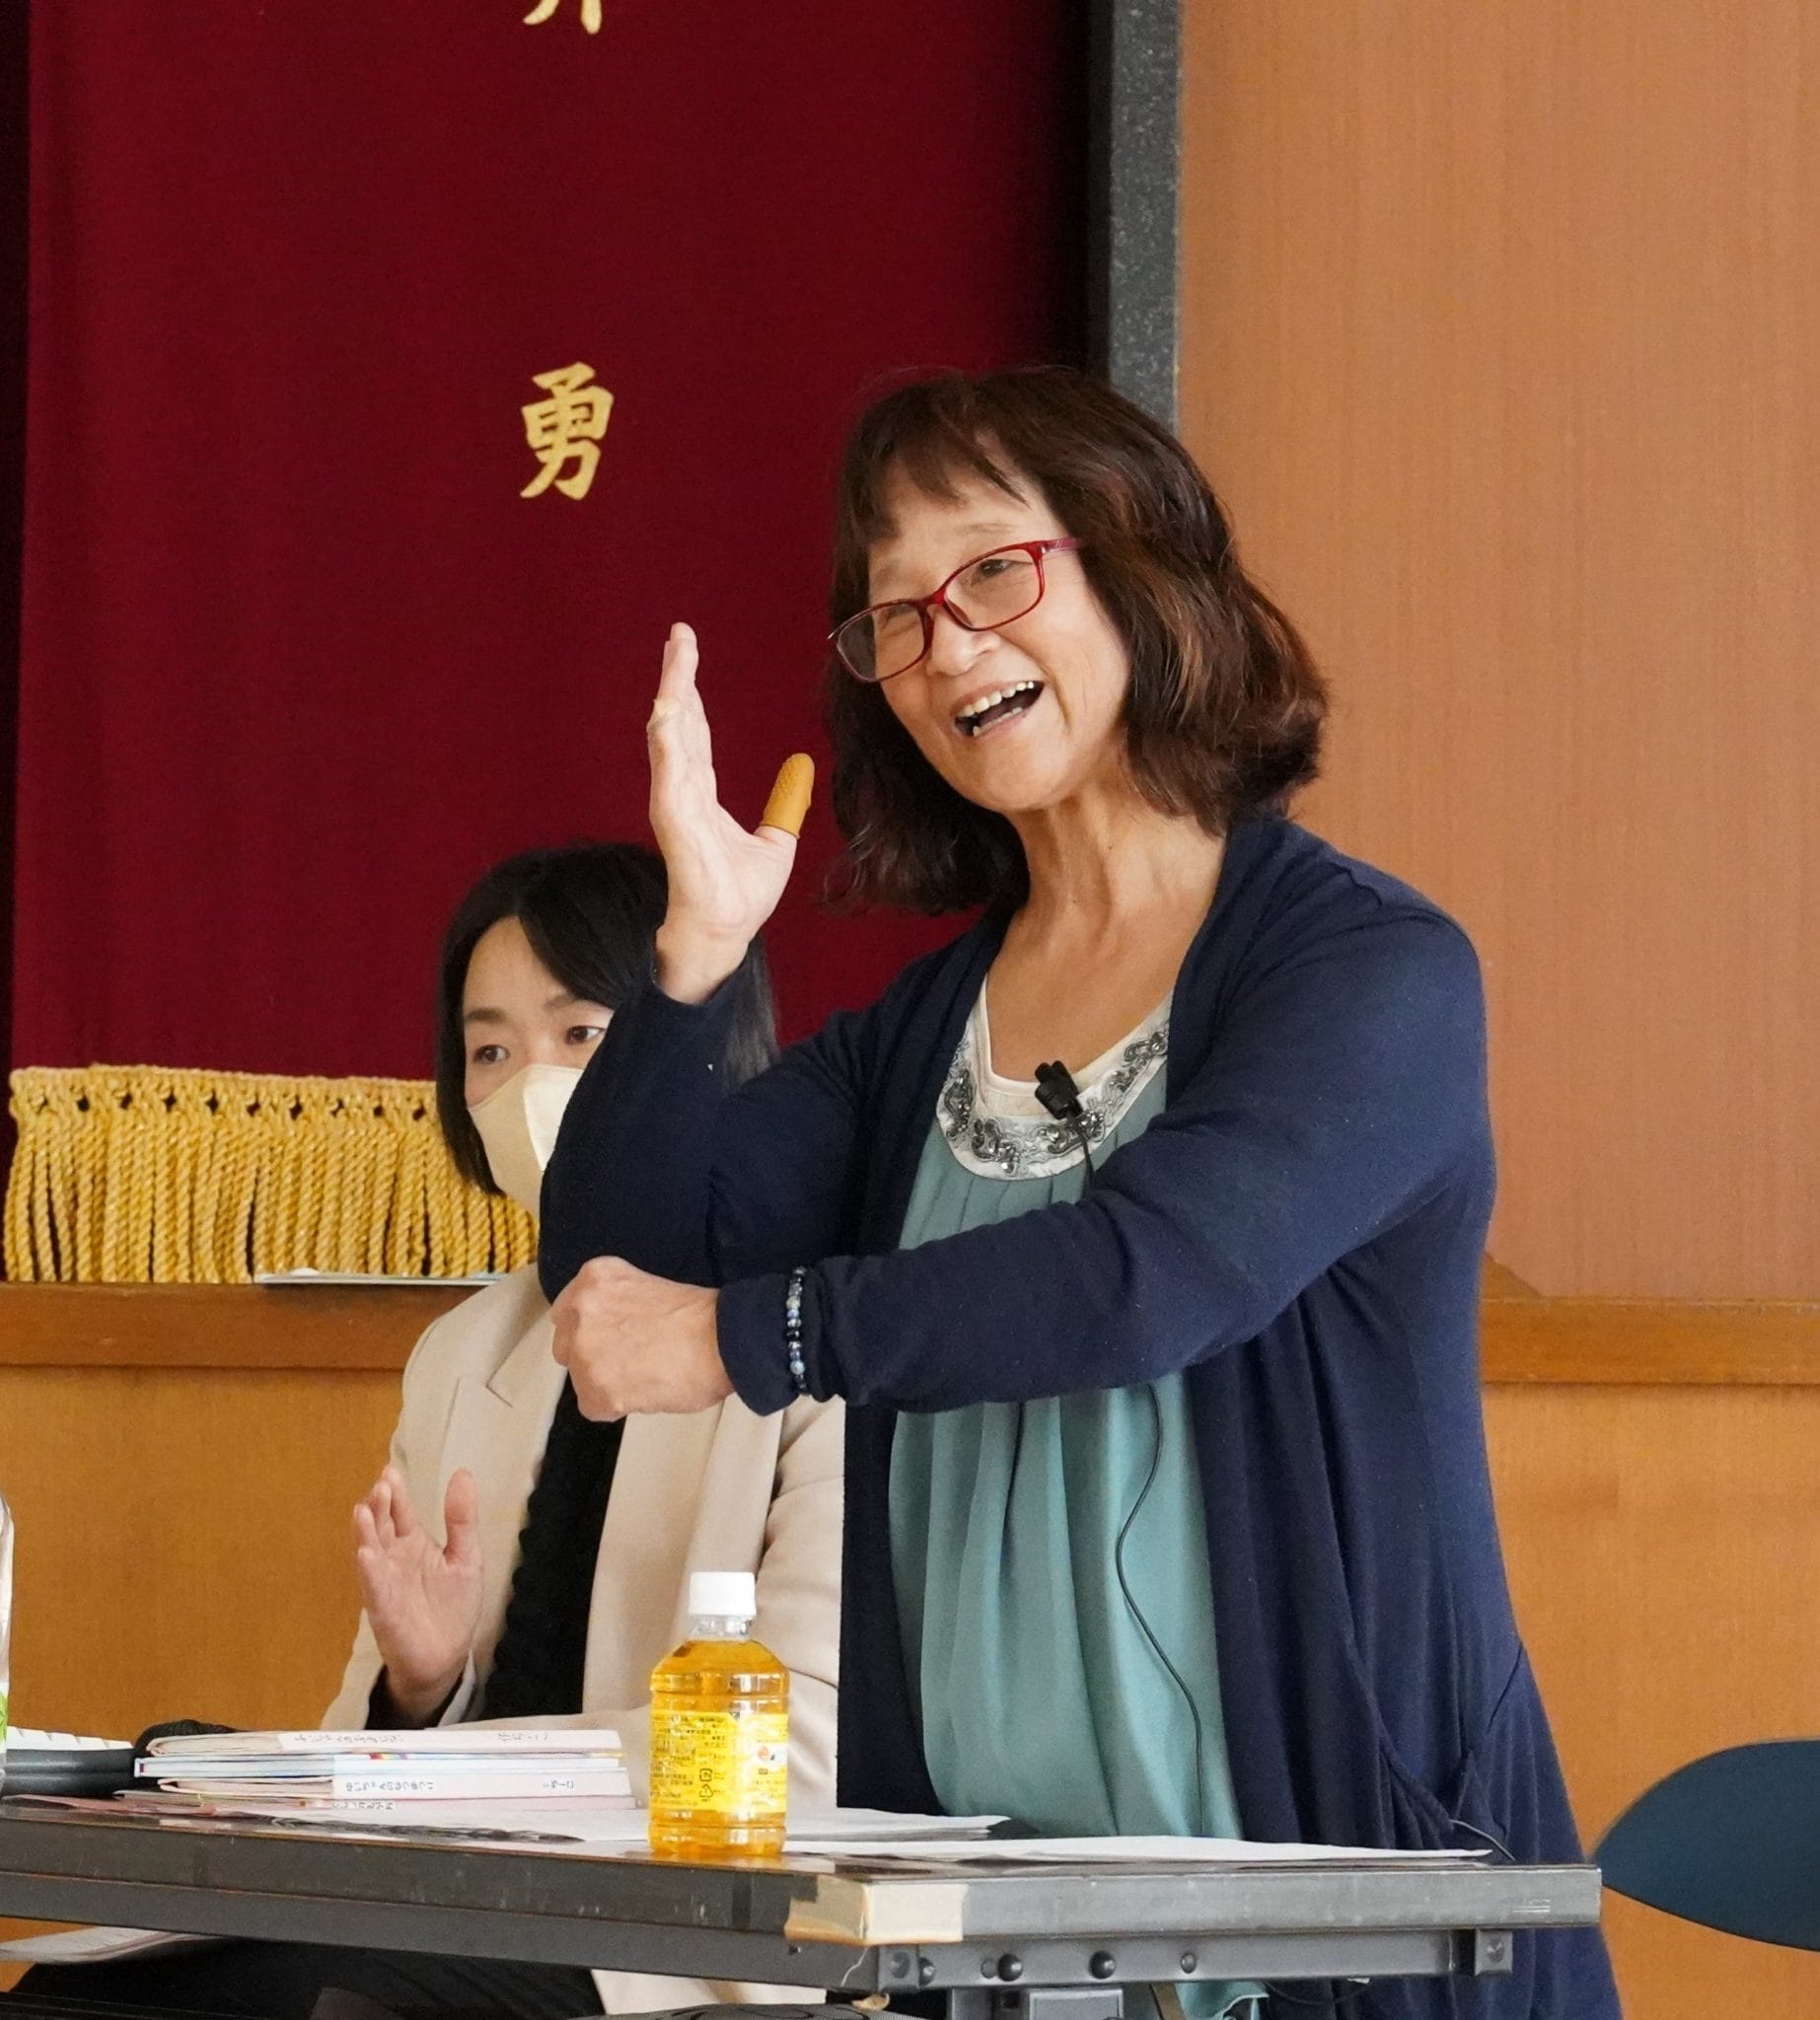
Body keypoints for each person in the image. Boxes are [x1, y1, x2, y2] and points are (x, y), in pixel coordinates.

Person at [536, 371, 1623, 2019]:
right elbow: (619, 1268)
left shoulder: (1371, 970)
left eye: (990, 570)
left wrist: (757, 1335)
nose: (945, 645)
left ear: (1137, 567)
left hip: (1346, 1916)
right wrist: (693, 953)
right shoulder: (920, 1033)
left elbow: (1150, 1276)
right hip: (994, 1941)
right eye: (896, 614)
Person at [15, 842, 843, 2020]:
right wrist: (425, 1685)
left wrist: (457, 1766)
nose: (531, 1086)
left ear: (702, 1039)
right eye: (490, 1050)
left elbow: (803, 1749)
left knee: (319, 1993)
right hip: (452, 1899)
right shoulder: (465, 1349)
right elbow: (361, 1757)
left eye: (581, 1034)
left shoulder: (808, 1331)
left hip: (686, 1931)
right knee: (79, 1989)